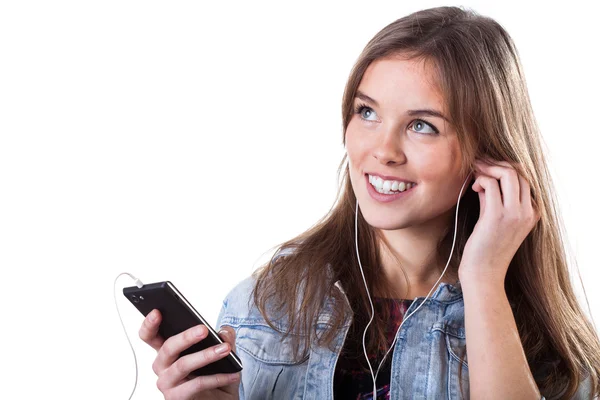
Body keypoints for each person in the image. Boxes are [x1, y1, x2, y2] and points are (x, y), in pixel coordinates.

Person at [138, 5, 600, 400]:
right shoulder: (267, 304)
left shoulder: (539, 335)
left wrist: (482, 278)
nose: (382, 150)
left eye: (422, 125)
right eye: (367, 112)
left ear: (489, 154)